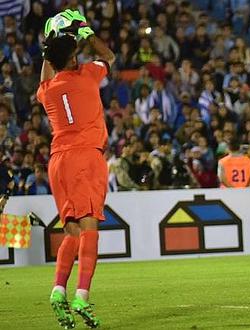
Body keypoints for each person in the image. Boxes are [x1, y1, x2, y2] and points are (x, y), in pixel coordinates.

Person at [37, 10, 115, 329]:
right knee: (90, 226)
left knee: (70, 229)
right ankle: (82, 295)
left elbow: (45, 76)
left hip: (58, 162)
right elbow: (108, 55)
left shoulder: (48, 90)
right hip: (86, 157)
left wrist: (50, 46)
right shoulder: (88, 75)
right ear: (72, 58)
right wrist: (85, 32)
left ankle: (58, 290)